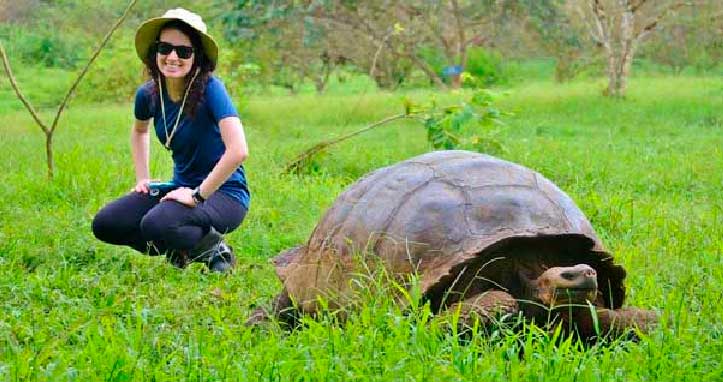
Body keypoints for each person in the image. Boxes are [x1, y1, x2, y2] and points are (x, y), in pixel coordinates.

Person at [92, 8, 249, 273]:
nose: (173, 57)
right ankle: (184, 247)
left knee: (156, 224)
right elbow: (139, 131)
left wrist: (198, 196)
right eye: (165, 48)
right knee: (107, 223)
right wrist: (143, 178)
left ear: (196, 57)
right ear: (155, 52)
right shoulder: (149, 94)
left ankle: (214, 249)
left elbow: (239, 150)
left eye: (183, 51)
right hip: (180, 188)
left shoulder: (211, 89)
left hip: (224, 194)